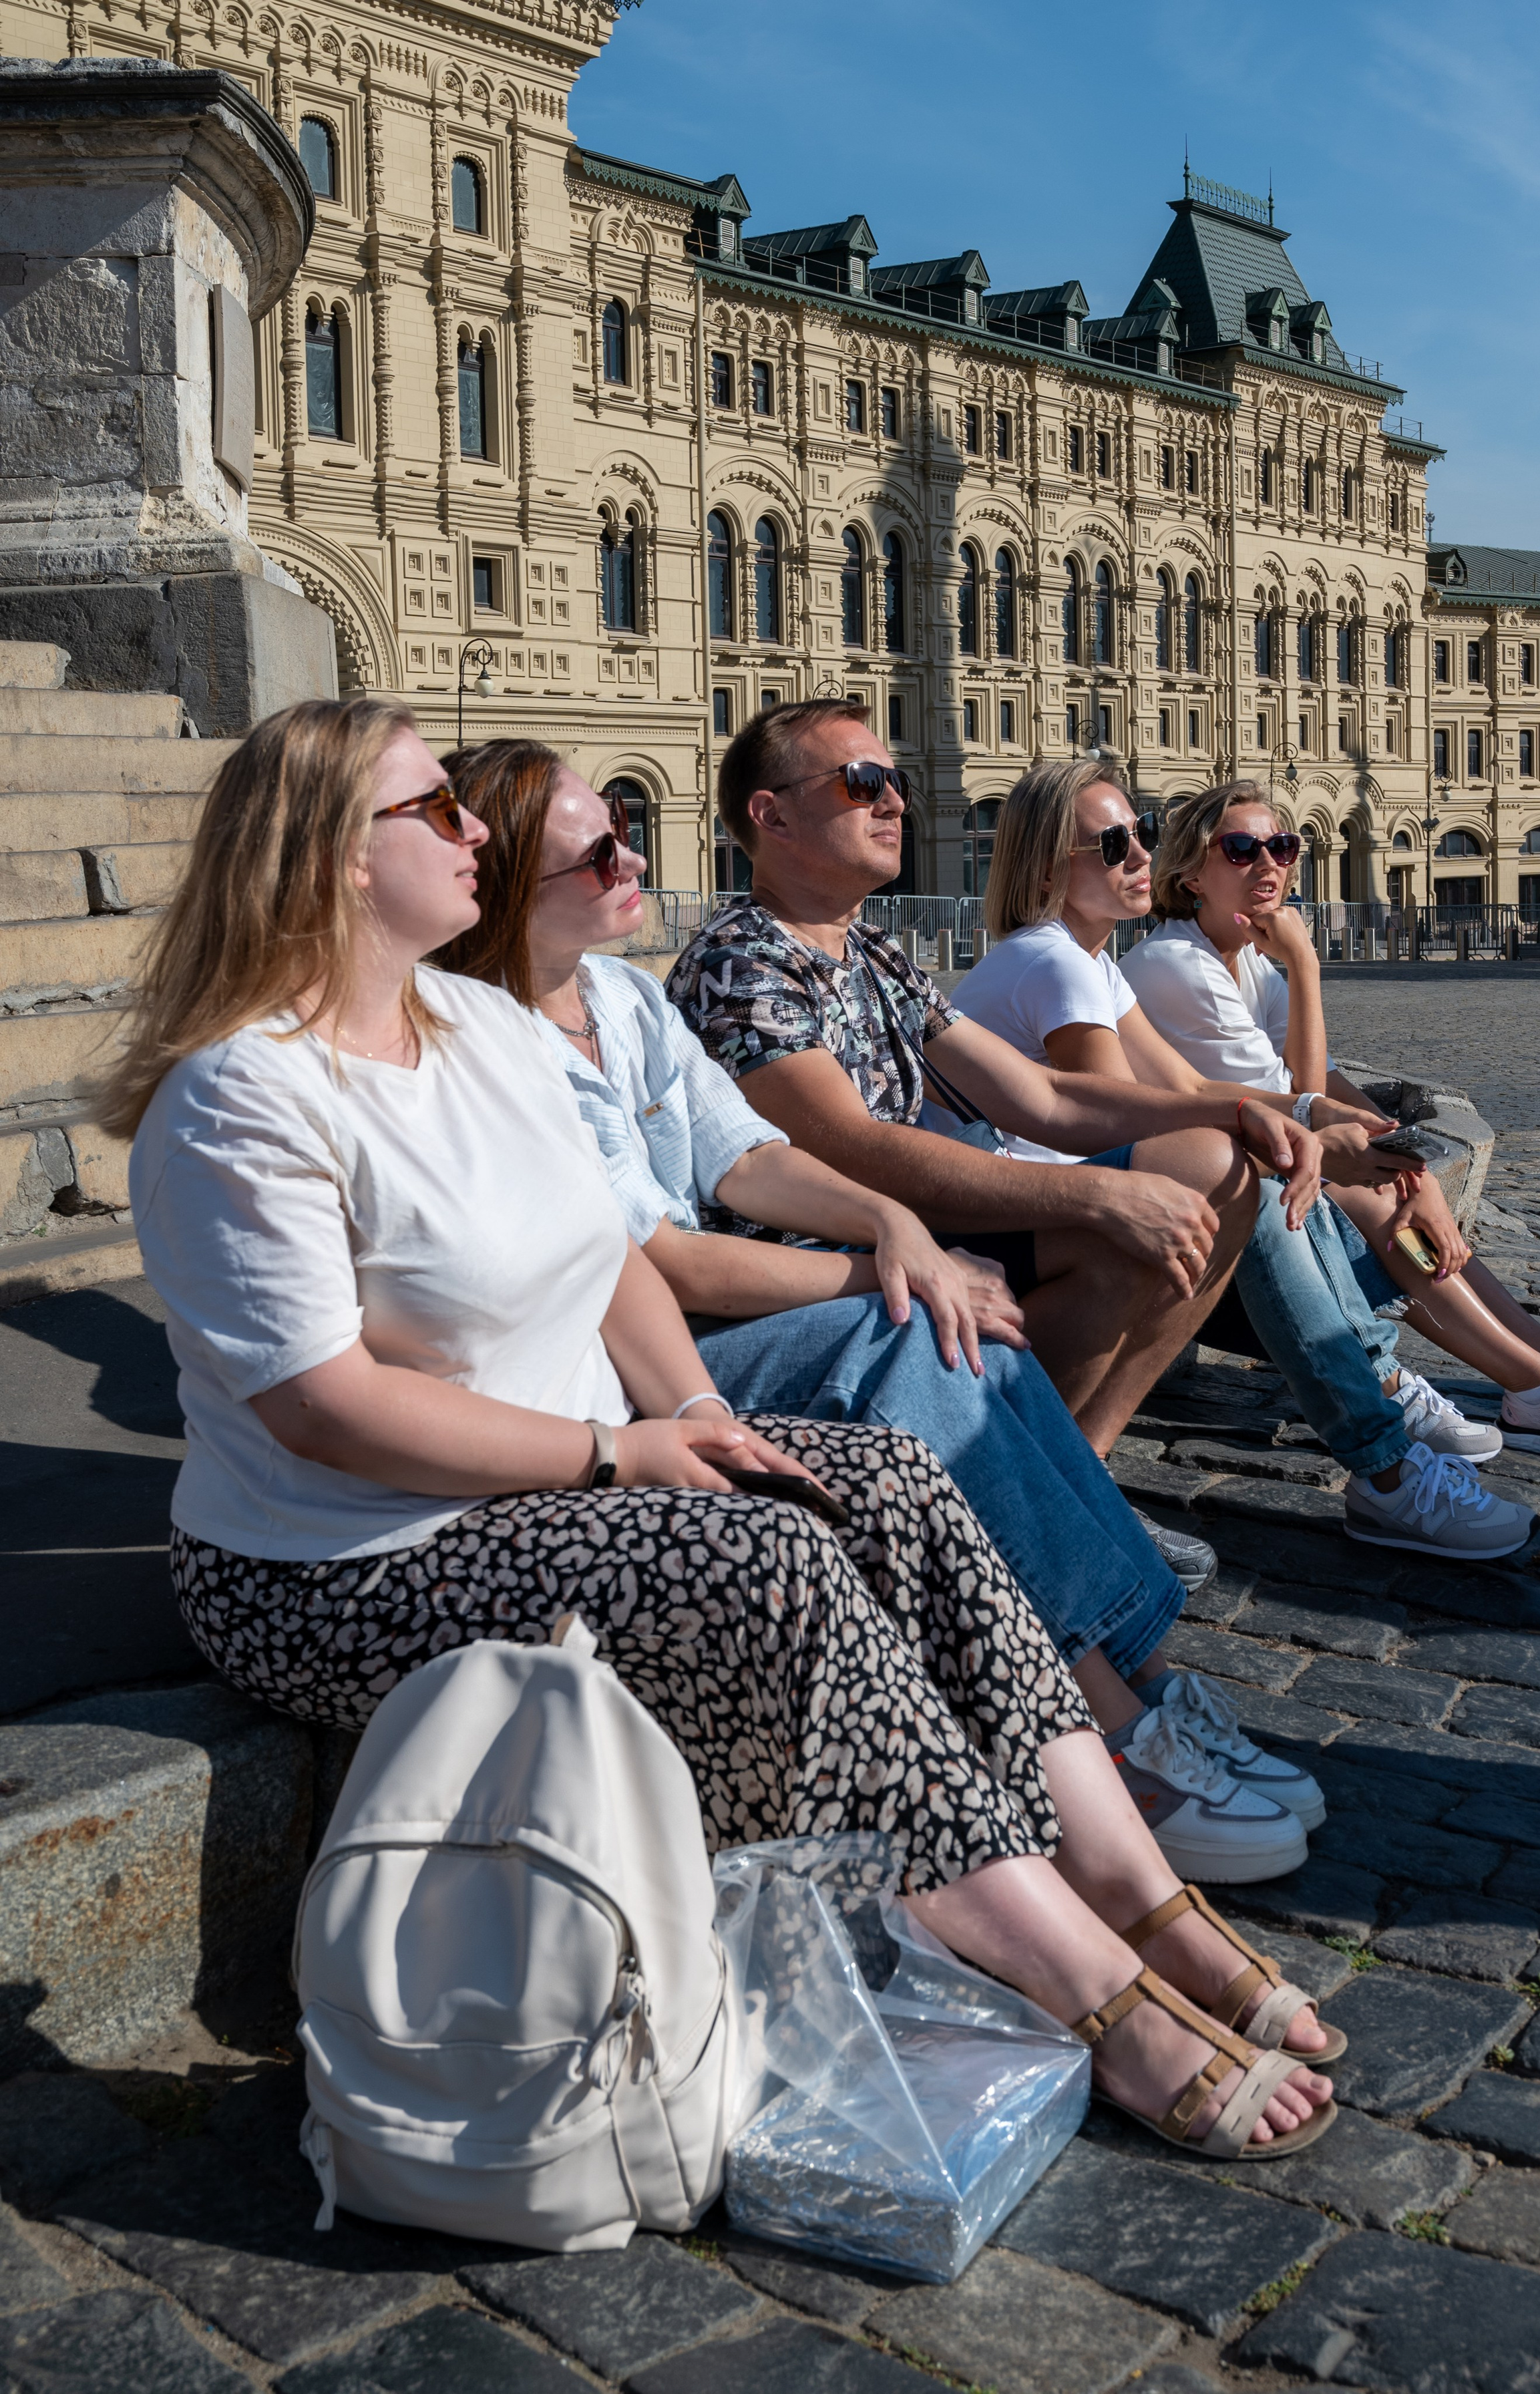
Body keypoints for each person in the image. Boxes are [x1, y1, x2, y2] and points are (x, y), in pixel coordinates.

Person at [100, 696, 1336, 2157]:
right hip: (342, 1561)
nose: (468, 834)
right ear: (331, 858)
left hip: (560, 1480)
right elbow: (324, 1407)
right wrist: (621, 1453)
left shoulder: (477, 1023)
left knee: (885, 1482)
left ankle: (1142, 1896)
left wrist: (690, 1406)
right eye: (434, 809)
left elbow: (613, 1251)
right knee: (779, 1566)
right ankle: (1087, 1984)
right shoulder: (240, 1095)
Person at [435, 737, 1319, 1883]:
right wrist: (890, 1259)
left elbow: (750, 1155)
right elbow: (674, 1254)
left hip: (767, 1293)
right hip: (658, 1362)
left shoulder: (622, 994)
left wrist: (895, 1231)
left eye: (625, 827)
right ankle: (1104, 1726)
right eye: (599, 848)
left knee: (968, 1310)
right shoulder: (624, 998)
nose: (633, 854)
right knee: (927, 1331)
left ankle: (1132, 1673)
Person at [666, 698, 1366, 1463]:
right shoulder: (742, 957)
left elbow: (1048, 1095)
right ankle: (1046, 1474)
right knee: (1150, 1204)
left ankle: (1076, 1472)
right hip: (817, 1265)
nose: (895, 800)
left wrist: (1246, 1110)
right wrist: (1099, 1193)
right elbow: (850, 1147)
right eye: (863, 782)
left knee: (1210, 1161)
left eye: (895, 781)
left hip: (907, 1225)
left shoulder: (872, 951)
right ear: (772, 816)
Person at [952, 759, 1538, 1561]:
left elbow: (1186, 1084)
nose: (1139, 858)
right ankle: (1384, 1457)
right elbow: (1115, 1114)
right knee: (1242, 1174)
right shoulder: (1053, 960)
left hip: (1047, 1208)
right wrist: (1285, 1129)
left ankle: (1392, 1410)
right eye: (1115, 842)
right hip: (1004, 1224)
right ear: (1051, 863)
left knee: (1258, 1163)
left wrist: (1307, 1114)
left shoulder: (1091, 963)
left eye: (1144, 836)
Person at [1123, 782, 1540, 1472]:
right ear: (1189, 873)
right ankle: (1537, 1387)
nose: (1267, 862)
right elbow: (1302, 1108)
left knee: (1393, 1190)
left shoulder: (1241, 960)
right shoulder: (1178, 965)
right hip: (1183, 1210)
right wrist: (1303, 964)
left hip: (1255, 1173)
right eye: (1240, 848)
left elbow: (1329, 1087)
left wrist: (1411, 1167)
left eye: (1281, 845)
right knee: (1371, 1196)